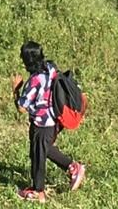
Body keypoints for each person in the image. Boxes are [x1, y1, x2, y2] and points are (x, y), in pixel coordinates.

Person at [11, 40, 85, 202]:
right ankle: (73, 167)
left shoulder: (35, 80)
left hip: (43, 124)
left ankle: (38, 192)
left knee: (38, 156)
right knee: (44, 149)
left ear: (26, 61)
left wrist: (16, 90)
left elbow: (22, 107)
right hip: (55, 120)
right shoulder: (50, 68)